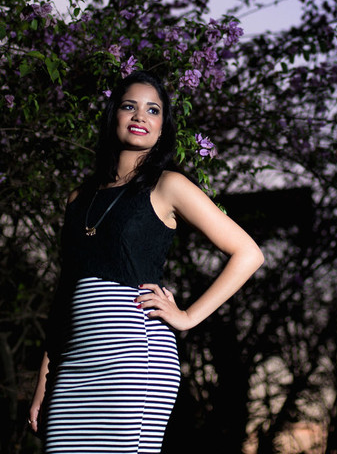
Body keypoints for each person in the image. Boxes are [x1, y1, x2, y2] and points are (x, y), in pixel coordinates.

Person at [28, 70, 264, 453]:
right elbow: (64, 296)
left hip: (133, 358)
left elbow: (249, 253)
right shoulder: (77, 199)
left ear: (162, 127)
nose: (140, 116)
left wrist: (187, 316)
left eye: (153, 110)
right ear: (113, 116)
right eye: (129, 106)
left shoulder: (168, 185)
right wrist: (43, 382)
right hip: (72, 364)